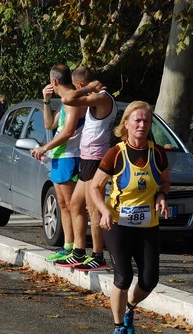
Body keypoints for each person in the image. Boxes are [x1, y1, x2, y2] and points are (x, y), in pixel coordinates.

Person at [89, 101, 170, 334]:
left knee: (149, 280)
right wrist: (103, 211)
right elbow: (94, 187)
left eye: (147, 121)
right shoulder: (115, 153)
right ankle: (118, 328)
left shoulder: (157, 153)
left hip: (148, 226)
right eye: (137, 120)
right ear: (126, 124)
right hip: (119, 225)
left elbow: (165, 182)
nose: (142, 125)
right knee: (123, 278)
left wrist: (162, 196)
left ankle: (129, 308)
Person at [54, 66, 118, 270]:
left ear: (80, 84)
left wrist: (85, 89)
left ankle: (98, 255)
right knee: (75, 204)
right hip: (87, 158)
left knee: (93, 208)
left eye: (76, 86)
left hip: (96, 159)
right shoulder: (95, 96)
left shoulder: (101, 97)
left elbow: (67, 99)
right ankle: (79, 252)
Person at [31, 63, 86, 262]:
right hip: (59, 157)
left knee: (73, 205)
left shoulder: (73, 101)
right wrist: (46, 101)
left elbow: (68, 131)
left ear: (54, 81)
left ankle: (78, 250)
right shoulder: (64, 102)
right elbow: (49, 124)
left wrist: (44, 148)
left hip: (70, 157)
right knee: (63, 204)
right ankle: (68, 246)